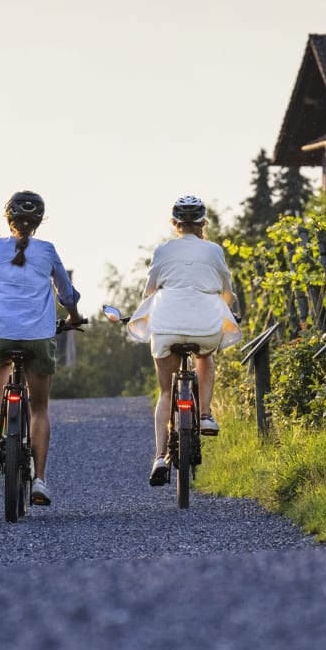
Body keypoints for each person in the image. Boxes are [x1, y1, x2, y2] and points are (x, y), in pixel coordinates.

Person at [0, 190, 82, 506]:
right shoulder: (47, 251)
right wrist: (74, 317)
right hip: (38, 336)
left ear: (8, 219)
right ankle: (40, 479)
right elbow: (65, 293)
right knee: (40, 407)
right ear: (39, 221)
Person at [124, 195, 241, 487]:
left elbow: (149, 291)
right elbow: (226, 291)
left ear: (174, 223)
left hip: (167, 325)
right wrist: (228, 305)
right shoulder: (214, 251)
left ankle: (161, 456)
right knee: (205, 356)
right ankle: (204, 414)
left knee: (166, 391)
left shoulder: (162, 251)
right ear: (203, 223)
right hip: (205, 326)